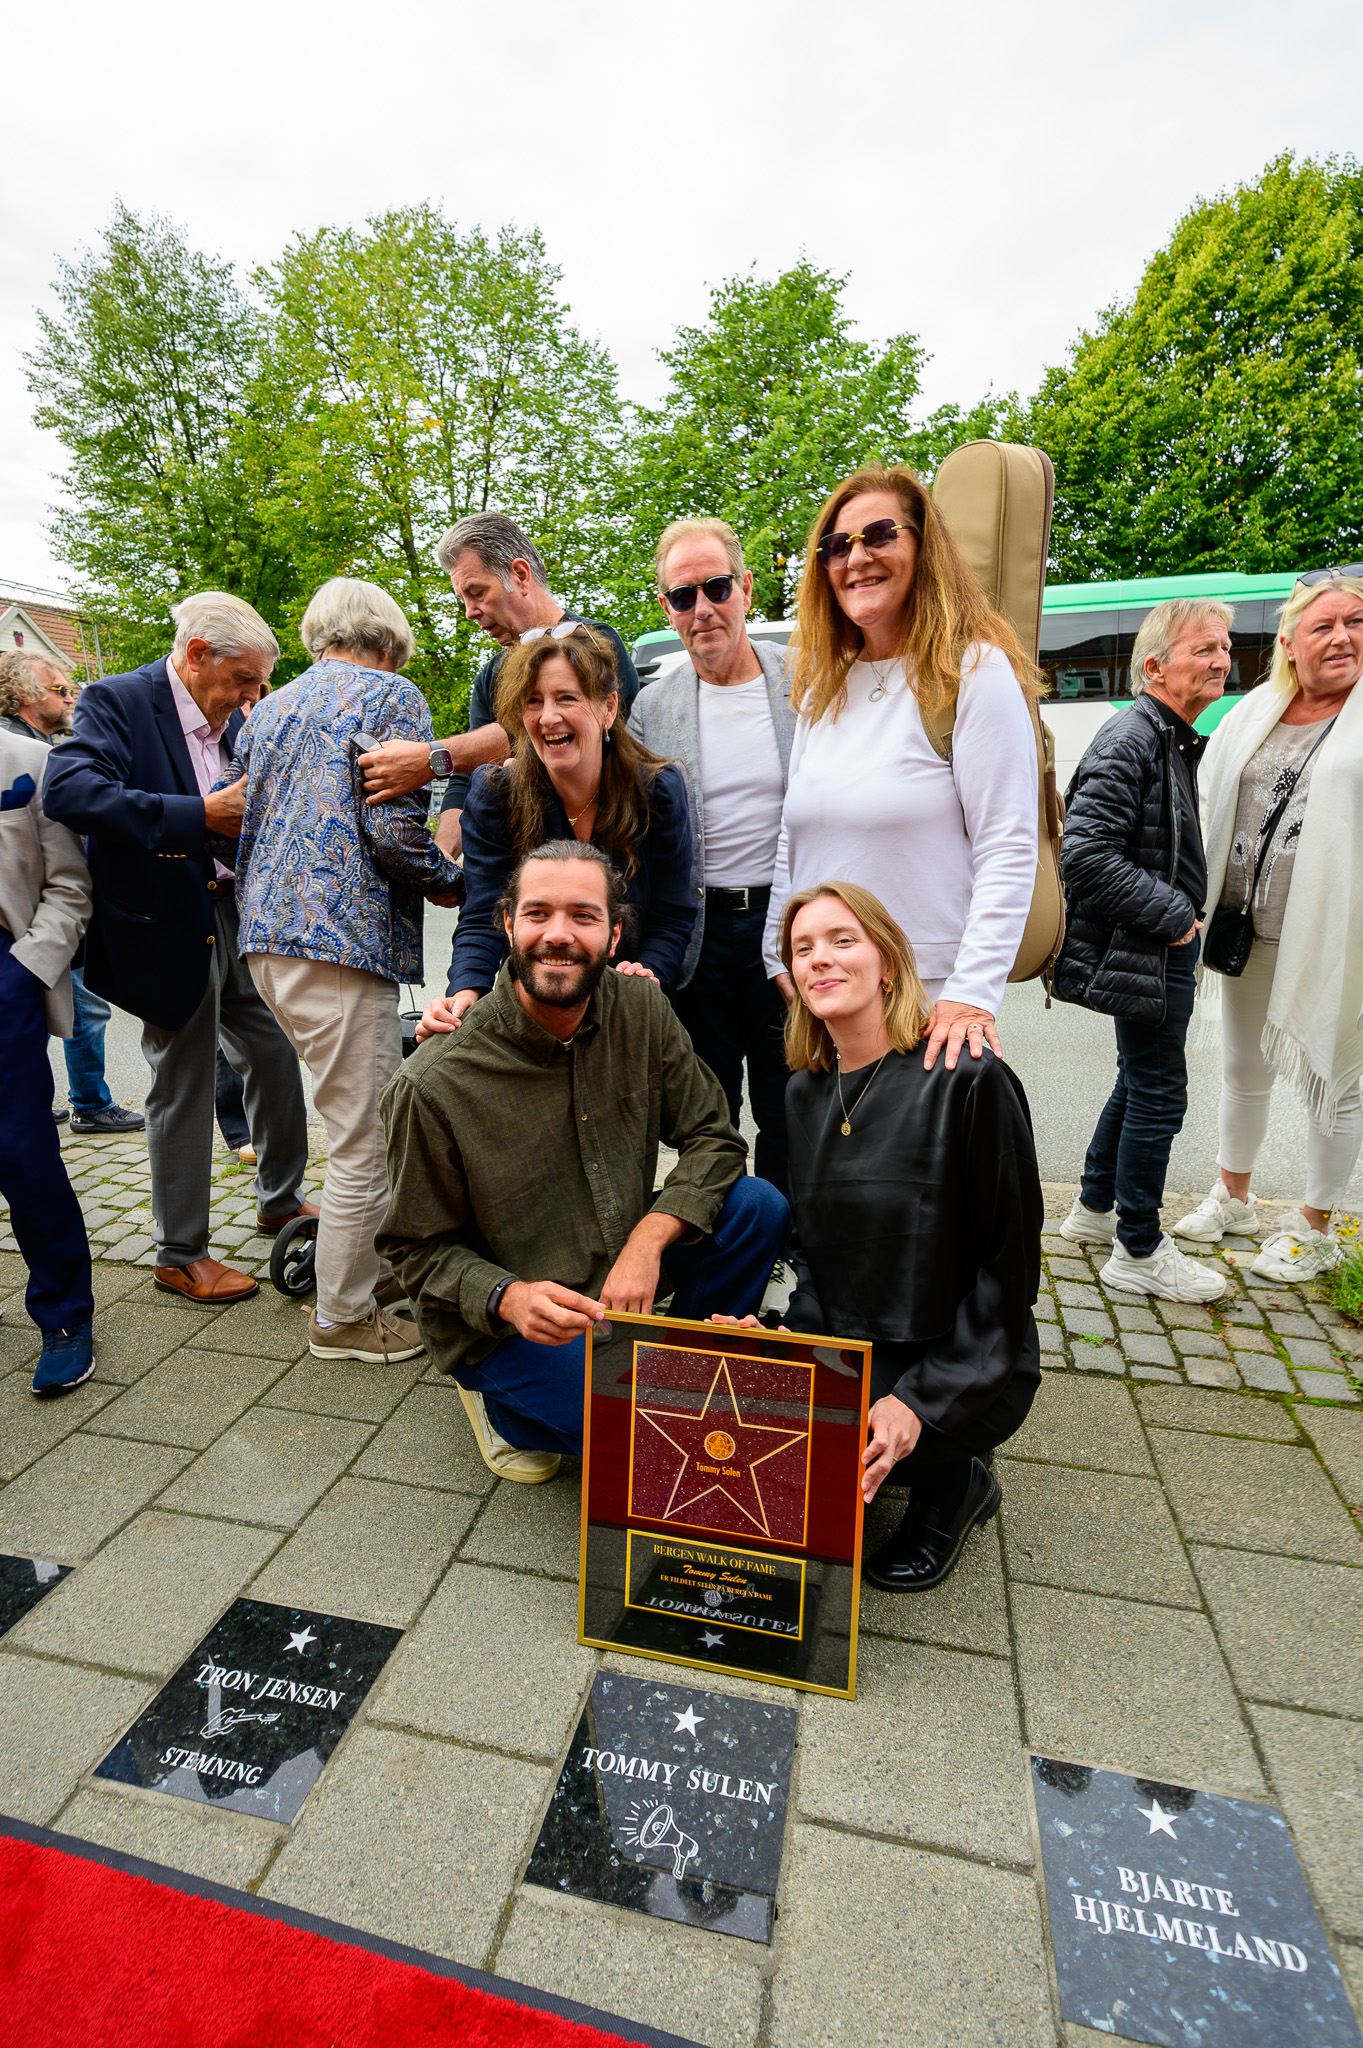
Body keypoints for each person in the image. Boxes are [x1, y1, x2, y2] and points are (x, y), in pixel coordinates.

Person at [379, 841, 789, 1481]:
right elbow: (413, 1249)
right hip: (520, 1317)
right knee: (653, 1443)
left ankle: (675, 1367)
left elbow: (715, 1137)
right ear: (508, 924)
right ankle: (510, 1412)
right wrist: (507, 1297)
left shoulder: (641, 1008)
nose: (559, 935)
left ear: (615, 933)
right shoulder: (433, 1084)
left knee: (758, 1207)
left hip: (616, 1267)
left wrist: (649, 1240)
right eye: (538, 913)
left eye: (584, 915)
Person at [44, 592, 313, 1305]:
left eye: (259, 683)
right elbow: (69, 792)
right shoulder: (117, 700)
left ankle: (280, 1200)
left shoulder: (239, 715)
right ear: (196, 655)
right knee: (184, 1081)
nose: (252, 696)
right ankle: (179, 1253)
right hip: (164, 921)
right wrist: (199, 815)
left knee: (275, 1054)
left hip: (238, 915)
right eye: (243, 680)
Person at [775, 882, 1042, 1592]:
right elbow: (813, 1257)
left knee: (852, 1445)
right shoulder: (803, 1093)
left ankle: (953, 1484)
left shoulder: (968, 1079)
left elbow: (1009, 1273)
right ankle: (908, 1446)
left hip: (967, 1355)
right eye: (802, 948)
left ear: (887, 963)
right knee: (766, 1432)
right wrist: (783, 1346)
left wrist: (918, 1401)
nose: (819, 959)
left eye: (842, 940)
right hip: (860, 1342)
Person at [226, 578, 463, 1362]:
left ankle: (360, 1267)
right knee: (367, 1137)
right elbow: (393, 833)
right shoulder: (392, 697)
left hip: (266, 941)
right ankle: (342, 1318)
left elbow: (237, 815)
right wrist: (457, 882)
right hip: (336, 945)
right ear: (389, 640)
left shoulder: (270, 709)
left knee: (352, 1119)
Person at [761, 465, 1040, 1075]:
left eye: (881, 535)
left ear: (924, 548)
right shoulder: (823, 688)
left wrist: (971, 994)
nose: (857, 557)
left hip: (931, 1011)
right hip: (832, 1007)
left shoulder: (974, 672)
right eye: (838, 545)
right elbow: (793, 836)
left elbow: (1007, 844)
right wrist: (780, 954)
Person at [1173, 567, 1363, 1280]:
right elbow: (1205, 801)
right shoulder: (1255, 711)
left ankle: (1315, 1227)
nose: (1341, 637)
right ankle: (1234, 1196)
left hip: (1337, 936)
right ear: (1289, 643)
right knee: (1241, 1068)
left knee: (1331, 1080)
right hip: (1245, 928)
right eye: (1323, 625)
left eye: (1355, 623)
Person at [1053, 600, 1232, 1304]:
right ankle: (1138, 1250)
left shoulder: (1166, 734)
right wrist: (1177, 918)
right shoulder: (1133, 736)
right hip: (1152, 943)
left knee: (1137, 1080)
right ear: (1155, 666)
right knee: (1159, 1093)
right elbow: (1084, 855)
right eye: (1203, 649)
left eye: (1223, 647)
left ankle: (1093, 1210)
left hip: (1152, 946)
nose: (1221, 660)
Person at [417, 627, 694, 1037]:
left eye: (566, 698)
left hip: (631, 1008)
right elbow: (484, 915)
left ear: (608, 708)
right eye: (534, 701)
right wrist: (465, 992)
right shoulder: (497, 795)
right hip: (535, 1005)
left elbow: (673, 917)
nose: (548, 717)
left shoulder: (657, 791)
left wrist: (649, 969)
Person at [631, 519, 797, 1193]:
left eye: (717, 588)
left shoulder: (807, 682)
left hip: (787, 929)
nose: (702, 609)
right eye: (683, 596)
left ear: (746, 589)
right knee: (709, 1112)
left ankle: (790, 1233)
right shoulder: (652, 708)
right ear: (667, 609)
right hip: (698, 940)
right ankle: (723, 1230)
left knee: (792, 1103)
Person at [356, 513, 640, 862]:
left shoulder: (596, 644)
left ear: (520, 575)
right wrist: (443, 856)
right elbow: (465, 777)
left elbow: (525, 737)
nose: (469, 612)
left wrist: (431, 758)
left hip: (601, 862)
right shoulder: (490, 675)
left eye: (477, 593)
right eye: (463, 599)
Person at [0, 651, 143, 1135]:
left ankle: (64, 1098)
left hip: (45, 926)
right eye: (60, 689)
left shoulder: (45, 747)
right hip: (37, 928)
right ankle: (89, 1101)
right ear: (24, 694)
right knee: (84, 1008)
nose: (70, 698)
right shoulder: (24, 754)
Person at [0, 719, 98, 1395]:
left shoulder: (29, 759)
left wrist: (25, 970)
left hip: (6, 975)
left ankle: (64, 1315)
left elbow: (70, 885)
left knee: (23, 1152)